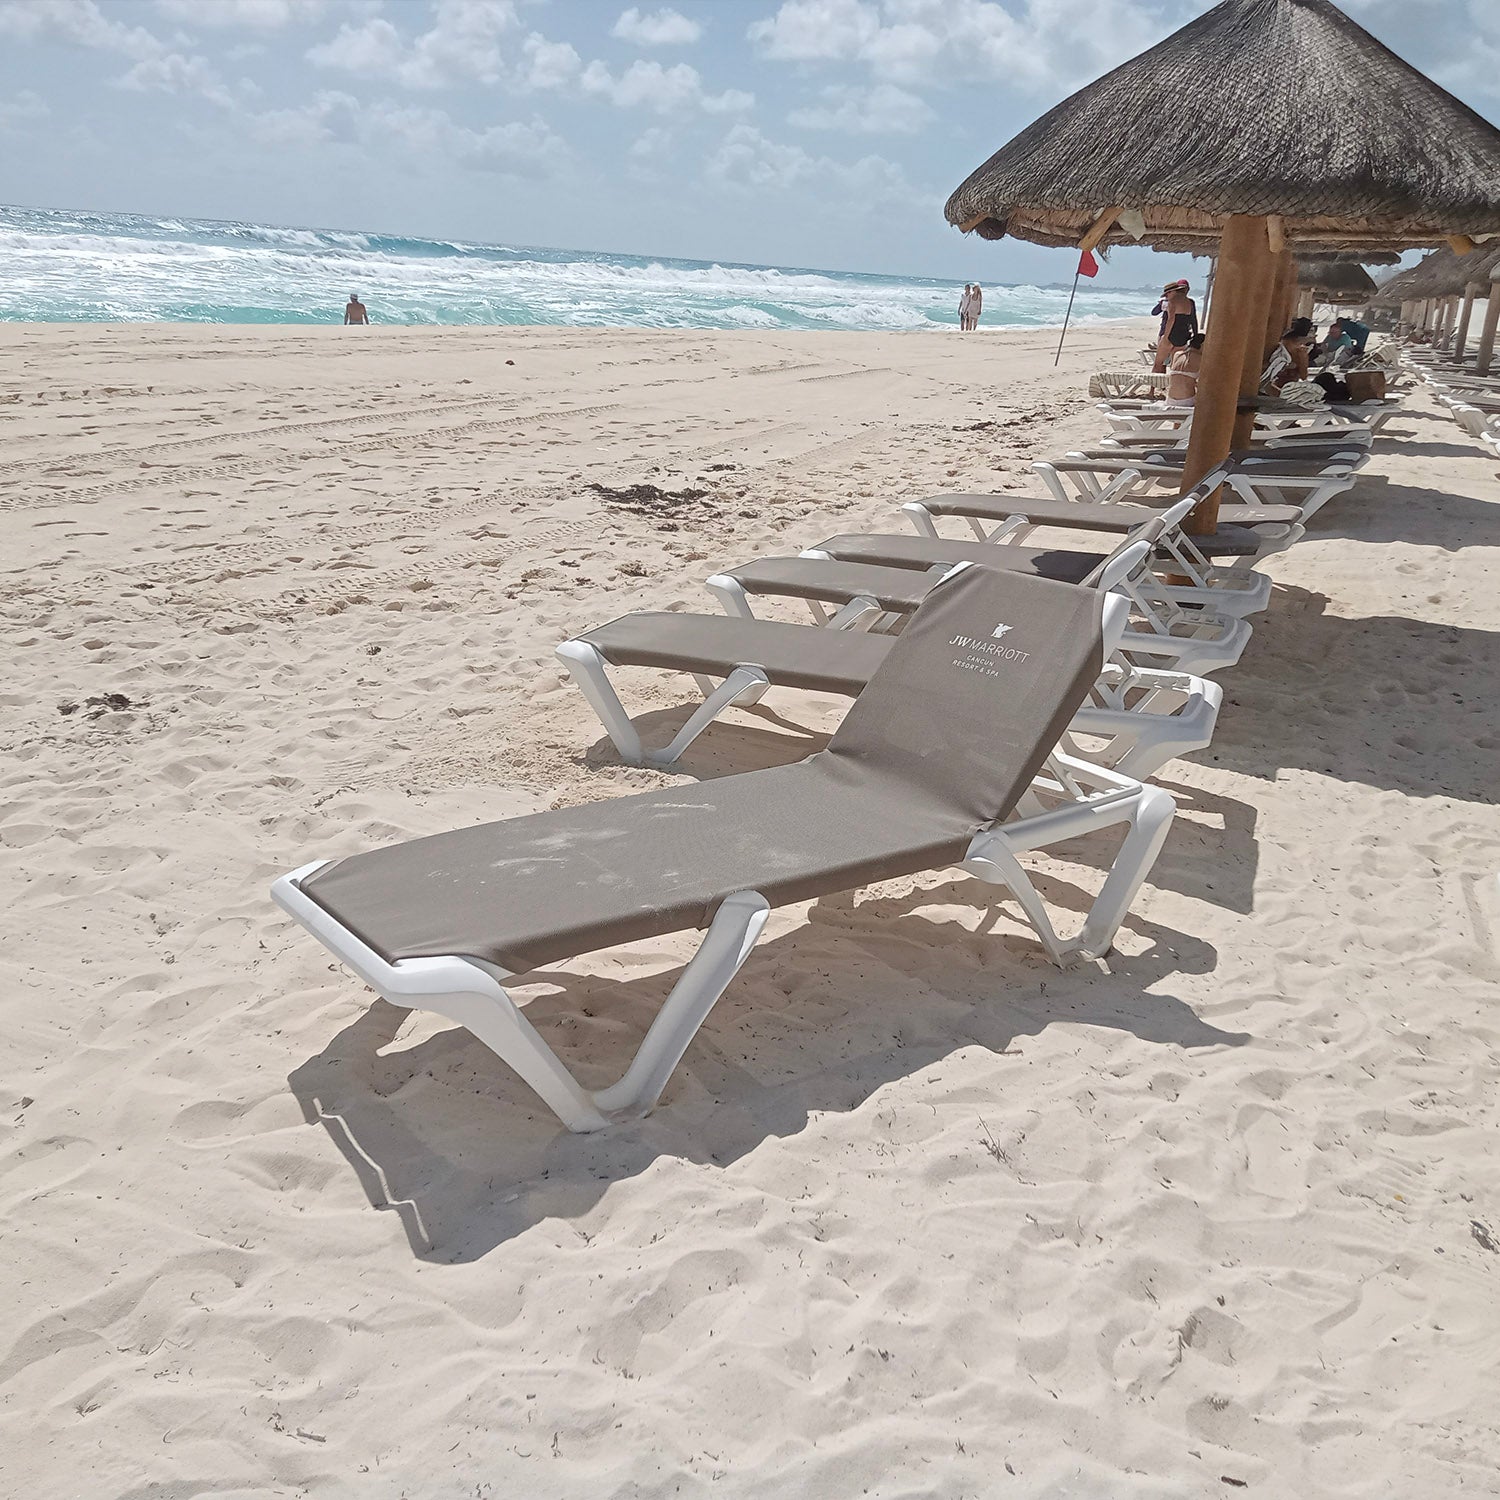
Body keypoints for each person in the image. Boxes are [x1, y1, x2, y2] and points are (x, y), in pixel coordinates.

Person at [1151, 278, 1198, 372]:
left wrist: (1165, 337)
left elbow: (1170, 319)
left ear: (1173, 291)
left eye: (1167, 293)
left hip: (1169, 334)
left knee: (1158, 364)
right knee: (1174, 366)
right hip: (1183, 336)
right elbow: (1193, 320)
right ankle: (1169, 381)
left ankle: (1155, 381)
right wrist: (1195, 335)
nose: (1166, 296)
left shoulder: (1171, 301)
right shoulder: (1189, 302)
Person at [1261, 316, 1314, 395]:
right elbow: (1303, 376)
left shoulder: (1279, 342)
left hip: (1269, 382)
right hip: (1286, 387)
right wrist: (1303, 358)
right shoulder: (1299, 351)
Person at [1165, 331, 1205, 403]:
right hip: (1187, 400)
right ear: (1202, 345)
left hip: (1170, 399)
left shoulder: (1177, 354)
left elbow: (1181, 377)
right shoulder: (1200, 358)